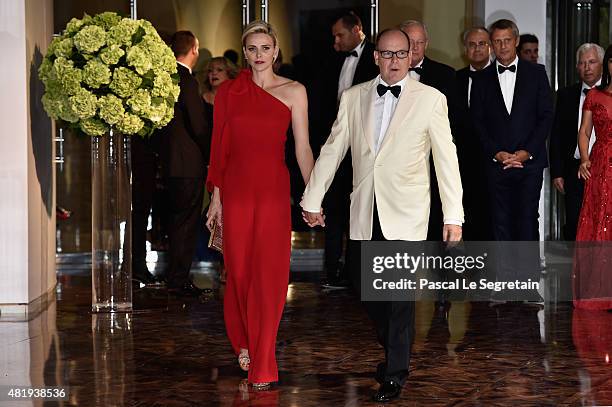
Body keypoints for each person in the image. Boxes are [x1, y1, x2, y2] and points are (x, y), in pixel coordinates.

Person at [301, 28, 463, 402]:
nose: (393, 62)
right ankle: (393, 349)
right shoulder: (354, 96)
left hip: (407, 213)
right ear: (375, 57)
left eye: (400, 55)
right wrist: (313, 198)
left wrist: (453, 215)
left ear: (410, 56)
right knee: (365, 289)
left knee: (399, 298)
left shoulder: (431, 99)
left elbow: (447, 161)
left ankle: (395, 372)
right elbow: (333, 148)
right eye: (386, 54)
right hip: (365, 211)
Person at [205, 21, 314, 388]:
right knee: (238, 273)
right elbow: (219, 150)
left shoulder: (295, 91)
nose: (258, 55)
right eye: (252, 49)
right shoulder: (228, 94)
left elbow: (302, 148)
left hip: (271, 190)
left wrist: (312, 194)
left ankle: (263, 359)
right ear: (246, 52)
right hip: (235, 190)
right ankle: (245, 341)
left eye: (265, 48)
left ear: (276, 49)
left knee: (269, 275)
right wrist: (216, 199)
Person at [470, 19, 553, 304]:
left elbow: (545, 116)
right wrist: (497, 153)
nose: (502, 46)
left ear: (516, 41)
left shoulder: (537, 73)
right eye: (497, 41)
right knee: (500, 221)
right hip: (496, 163)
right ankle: (504, 284)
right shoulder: (480, 79)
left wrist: (525, 152)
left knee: (528, 220)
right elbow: (477, 123)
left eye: (507, 40)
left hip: (529, 163)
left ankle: (529, 286)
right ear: (491, 44)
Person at [309, 11, 379, 288]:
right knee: (335, 208)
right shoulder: (331, 60)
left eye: (340, 35)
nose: (336, 41)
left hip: (365, 146)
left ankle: (358, 271)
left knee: (362, 210)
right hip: (338, 144)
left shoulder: (377, 57)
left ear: (357, 29)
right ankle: (332, 269)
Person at [159, 31, 210, 296]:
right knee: (186, 224)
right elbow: (198, 126)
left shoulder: (164, 80)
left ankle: (175, 276)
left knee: (177, 222)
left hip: (171, 163)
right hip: (188, 164)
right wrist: (211, 154)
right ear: (193, 49)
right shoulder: (187, 81)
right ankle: (178, 278)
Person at [399, 20, 459, 241]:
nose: (414, 47)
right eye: (409, 42)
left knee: (433, 224)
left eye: (419, 42)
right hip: (394, 166)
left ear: (427, 43)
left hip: (430, 163)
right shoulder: (382, 74)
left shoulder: (446, 75)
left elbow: (456, 122)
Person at [549, 43, 604, 241]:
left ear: (602, 65)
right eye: (582, 63)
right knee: (574, 222)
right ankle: (577, 269)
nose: (586, 67)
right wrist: (557, 172)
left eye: (591, 62)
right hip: (575, 169)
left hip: (605, 167)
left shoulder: (610, 94)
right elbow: (556, 136)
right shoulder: (566, 95)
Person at [573, 44, 612, 311]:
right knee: (599, 223)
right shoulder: (595, 96)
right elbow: (584, 132)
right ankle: (599, 290)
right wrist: (585, 158)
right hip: (601, 166)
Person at [455, 27, 493, 241]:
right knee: (465, 215)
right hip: (464, 161)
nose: (477, 49)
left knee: (492, 217)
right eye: (472, 44)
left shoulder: (500, 77)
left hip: (496, 160)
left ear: (490, 47)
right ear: (465, 48)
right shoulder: (456, 78)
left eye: (481, 44)